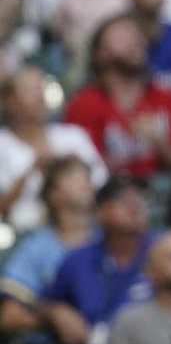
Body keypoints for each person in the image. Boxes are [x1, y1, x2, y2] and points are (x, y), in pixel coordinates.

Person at [38, 176, 153, 344]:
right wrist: (56, 312)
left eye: (140, 200)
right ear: (100, 212)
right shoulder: (79, 258)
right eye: (123, 201)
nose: (135, 206)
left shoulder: (164, 250)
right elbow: (43, 302)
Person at [64, 14, 171, 179]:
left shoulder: (169, 99)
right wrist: (108, 164)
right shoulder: (83, 106)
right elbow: (75, 173)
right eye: (123, 37)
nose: (135, 41)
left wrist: (160, 143)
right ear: (100, 55)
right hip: (109, 191)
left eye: (137, 36)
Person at [0, 66, 108, 232]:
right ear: (8, 101)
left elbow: (102, 183)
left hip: (84, 225)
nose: (39, 97)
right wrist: (30, 172)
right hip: (22, 233)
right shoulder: (3, 145)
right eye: (29, 91)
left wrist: (68, 172)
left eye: (41, 88)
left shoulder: (73, 136)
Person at [0, 157, 94, 335]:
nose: (85, 180)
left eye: (87, 175)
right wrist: (52, 317)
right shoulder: (38, 247)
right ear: (52, 193)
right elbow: (8, 316)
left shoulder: (109, 238)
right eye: (71, 175)